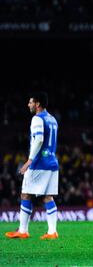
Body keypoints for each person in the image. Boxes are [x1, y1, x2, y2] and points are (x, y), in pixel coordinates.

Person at [5, 92, 59, 240]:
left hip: (39, 163)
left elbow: (39, 139)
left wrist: (29, 161)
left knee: (25, 194)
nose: (28, 105)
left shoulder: (37, 118)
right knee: (48, 197)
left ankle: (23, 230)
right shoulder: (53, 119)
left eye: (31, 102)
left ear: (38, 104)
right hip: (52, 163)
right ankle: (52, 232)